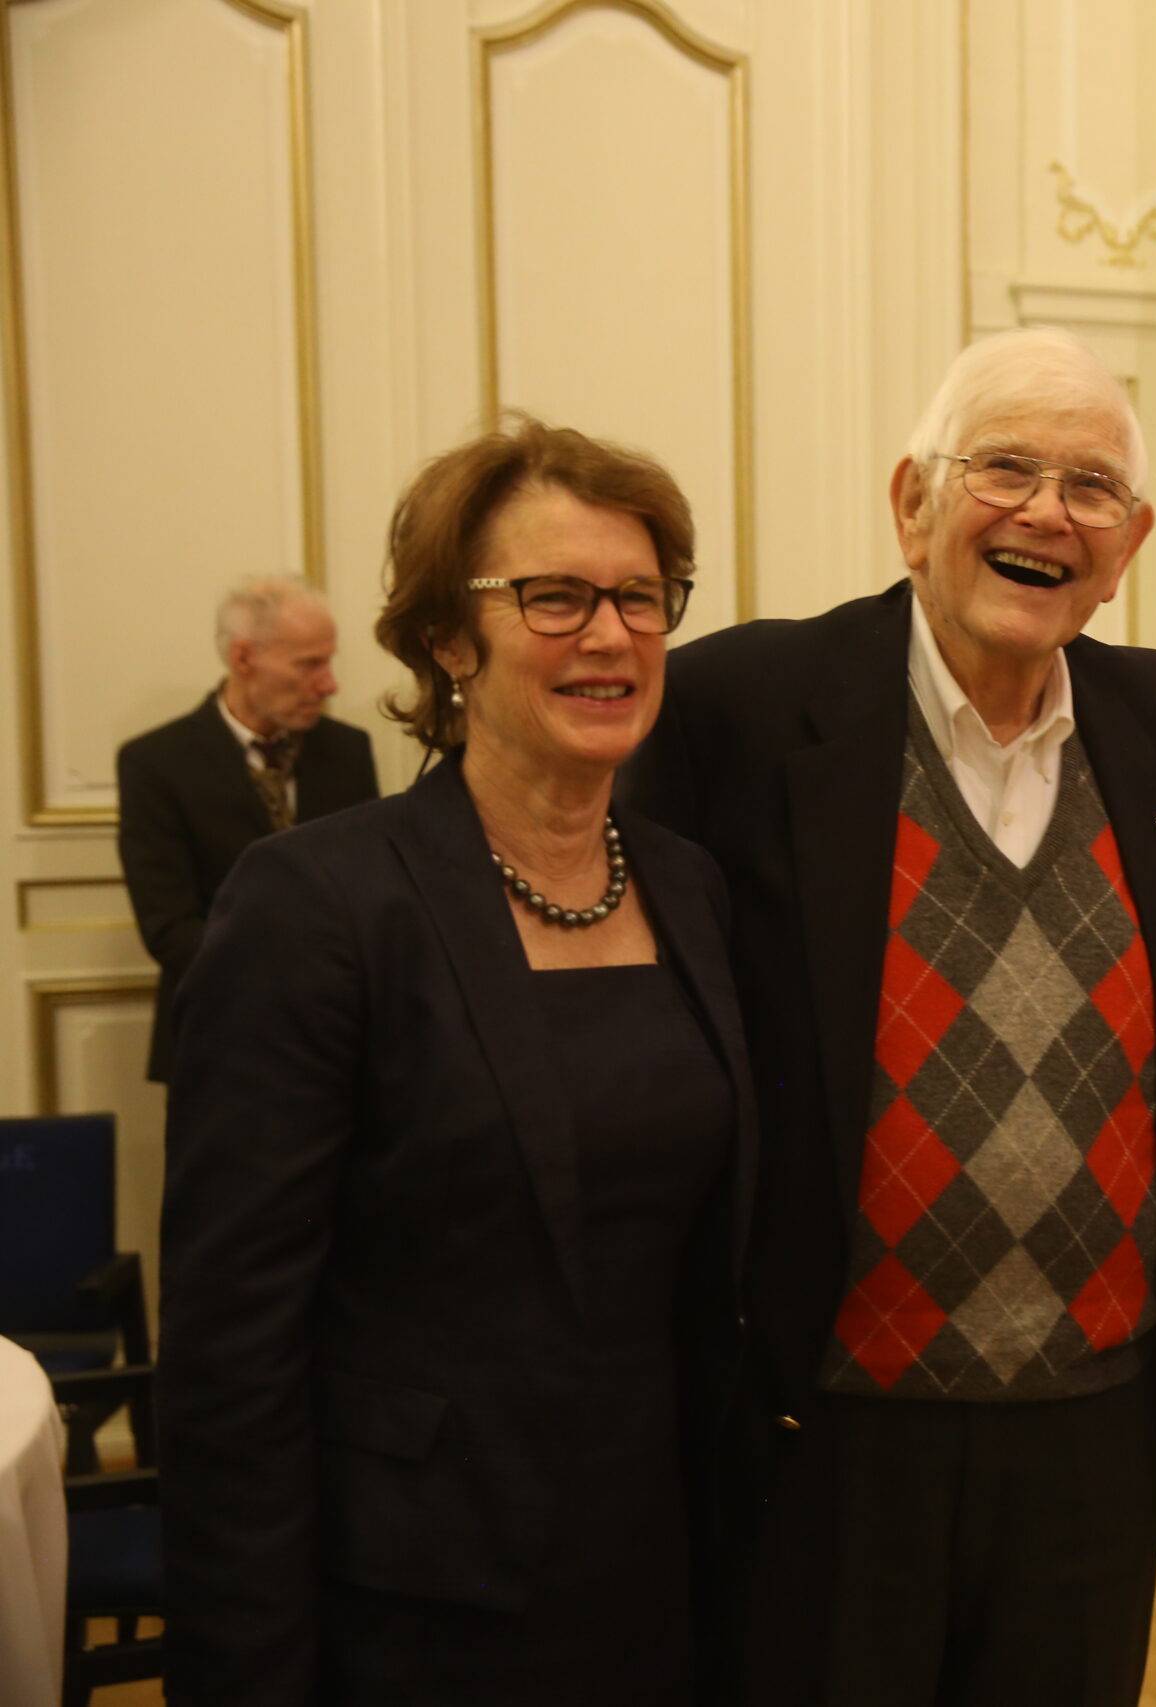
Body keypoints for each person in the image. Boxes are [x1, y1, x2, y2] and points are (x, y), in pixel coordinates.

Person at [621, 326, 1156, 1707]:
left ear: (1131, 542)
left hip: (1096, 1421)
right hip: (826, 1420)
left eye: (1091, 487)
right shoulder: (737, 710)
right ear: (912, 501)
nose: (1048, 513)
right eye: (1006, 469)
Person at [156, 419, 757, 1706]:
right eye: (555, 597)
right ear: (446, 638)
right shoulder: (316, 903)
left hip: (662, 1554)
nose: (610, 635)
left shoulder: (690, 887)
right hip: (416, 1594)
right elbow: (231, 1350)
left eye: (641, 596)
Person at [116, 576, 379, 1082]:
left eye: (329, 662)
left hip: (341, 1040)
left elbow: (369, 892)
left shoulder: (348, 750)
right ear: (243, 658)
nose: (330, 685)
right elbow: (169, 929)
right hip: (217, 1039)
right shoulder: (156, 763)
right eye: (309, 664)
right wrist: (298, 980)